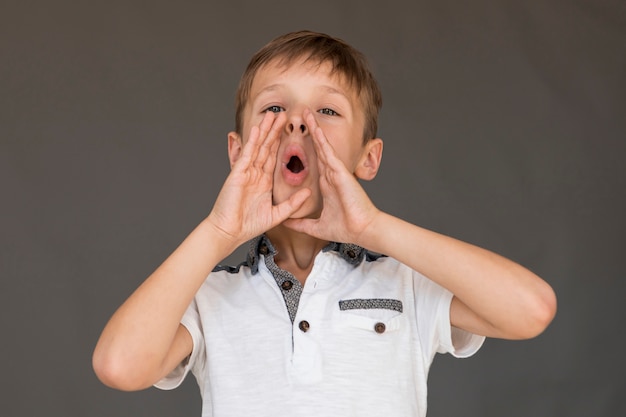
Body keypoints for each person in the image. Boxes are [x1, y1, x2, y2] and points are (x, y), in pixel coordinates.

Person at [93, 30, 557, 416]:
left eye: (327, 111)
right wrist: (218, 232)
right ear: (238, 152)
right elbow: (119, 365)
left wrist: (373, 227)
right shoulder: (208, 297)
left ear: (367, 158)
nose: (297, 122)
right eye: (274, 108)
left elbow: (531, 309)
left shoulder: (405, 286)